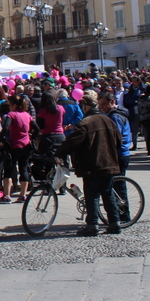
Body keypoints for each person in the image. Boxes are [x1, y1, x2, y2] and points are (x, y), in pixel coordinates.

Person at [55, 91, 123, 236]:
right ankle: (115, 223)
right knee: (108, 193)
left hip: (92, 163)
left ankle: (92, 224)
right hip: (109, 162)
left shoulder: (85, 123)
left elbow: (72, 142)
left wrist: (59, 152)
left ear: (85, 106)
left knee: (92, 194)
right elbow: (119, 141)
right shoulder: (108, 120)